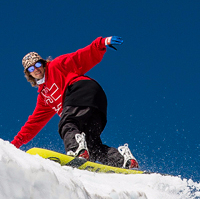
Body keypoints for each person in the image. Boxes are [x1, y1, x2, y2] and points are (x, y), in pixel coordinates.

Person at [12, 36, 139, 169]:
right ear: (29, 74)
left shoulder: (56, 65)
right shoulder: (44, 98)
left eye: (38, 64)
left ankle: (76, 150)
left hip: (82, 89)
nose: (36, 69)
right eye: (31, 69)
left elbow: (80, 57)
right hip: (97, 105)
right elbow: (33, 124)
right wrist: (13, 145)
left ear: (43, 63)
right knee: (92, 146)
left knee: (67, 123)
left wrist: (102, 42)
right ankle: (124, 161)